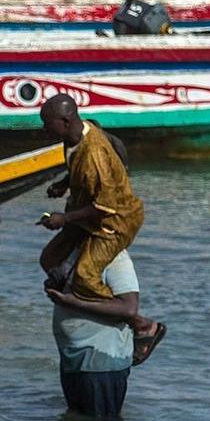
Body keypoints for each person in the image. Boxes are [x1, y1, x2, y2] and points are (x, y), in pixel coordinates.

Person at [38, 94, 143, 301]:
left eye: (48, 124)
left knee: (85, 277)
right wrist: (64, 183)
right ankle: (72, 289)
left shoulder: (94, 153)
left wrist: (64, 219)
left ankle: (127, 314)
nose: (44, 130)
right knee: (49, 259)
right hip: (87, 215)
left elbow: (105, 206)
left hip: (114, 223)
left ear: (66, 122)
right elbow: (82, 169)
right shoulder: (76, 135)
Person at [47, 250, 164, 420]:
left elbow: (128, 308)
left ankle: (144, 327)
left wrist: (72, 302)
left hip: (100, 362)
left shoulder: (114, 257)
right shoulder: (75, 249)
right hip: (75, 358)